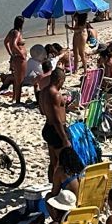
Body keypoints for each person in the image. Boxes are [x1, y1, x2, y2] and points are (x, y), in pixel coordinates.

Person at [38, 64, 71, 194]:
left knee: (53, 161)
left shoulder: (43, 92)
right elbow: (57, 120)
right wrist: (64, 138)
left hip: (47, 128)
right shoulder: (55, 95)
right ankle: (57, 188)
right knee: (64, 161)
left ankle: (51, 185)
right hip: (57, 130)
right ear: (59, 80)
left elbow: (42, 111)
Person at [4, 16, 29, 103]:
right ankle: (17, 100)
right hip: (19, 58)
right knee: (20, 80)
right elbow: (14, 44)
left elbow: (5, 42)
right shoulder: (17, 33)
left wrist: (10, 53)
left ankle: (14, 98)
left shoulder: (12, 32)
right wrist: (21, 53)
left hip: (15, 57)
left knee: (16, 78)